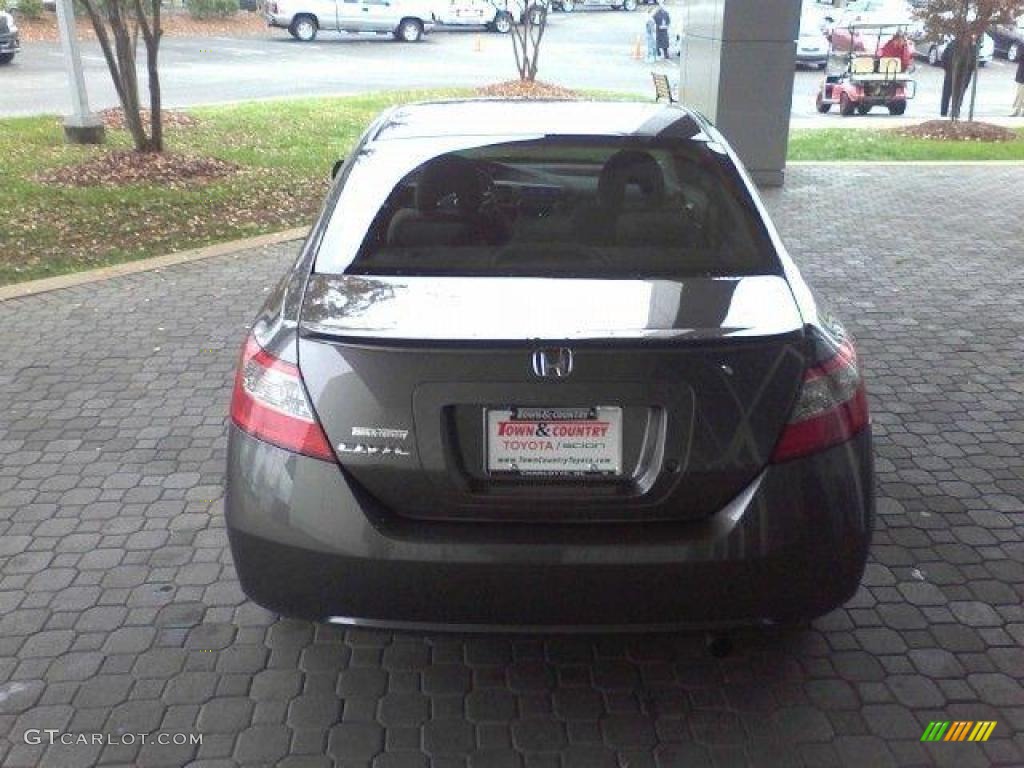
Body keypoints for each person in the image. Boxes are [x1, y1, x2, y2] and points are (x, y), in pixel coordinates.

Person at [1013, 52, 1024, 116]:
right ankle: (1017, 111)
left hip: (1022, 76)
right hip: (1021, 76)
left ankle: (1018, 111)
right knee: (1020, 94)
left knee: (1021, 95)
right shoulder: (1022, 45)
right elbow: (1018, 57)